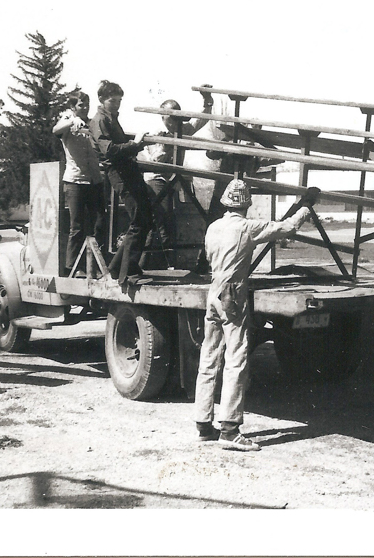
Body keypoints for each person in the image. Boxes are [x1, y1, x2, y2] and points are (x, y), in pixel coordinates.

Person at [193, 179, 318, 451]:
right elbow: (287, 228)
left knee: (209, 355)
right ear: (247, 205)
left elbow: (210, 258)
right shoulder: (247, 227)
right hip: (232, 293)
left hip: (214, 291)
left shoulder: (214, 227)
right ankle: (229, 430)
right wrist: (306, 206)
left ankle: (203, 423)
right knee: (236, 358)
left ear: (225, 203)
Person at [89, 80, 153, 286]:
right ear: (101, 99)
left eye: (119, 101)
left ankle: (117, 268)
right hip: (119, 173)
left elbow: (120, 144)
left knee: (144, 218)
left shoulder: (111, 118)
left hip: (128, 171)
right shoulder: (100, 120)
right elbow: (109, 150)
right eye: (112, 100)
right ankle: (129, 274)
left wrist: (139, 143)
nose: (116, 104)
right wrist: (135, 144)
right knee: (139, 219)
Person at [139, 94, 213, 265]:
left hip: (171, 180)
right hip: (156, 180)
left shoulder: (181, 129)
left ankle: (159, 264)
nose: (174, 122)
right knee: (161, 220)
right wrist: (164, 147)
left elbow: (200, 120)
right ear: (163, 117)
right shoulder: (156, 132)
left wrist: (207, 102)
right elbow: (155, 161)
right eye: (170, 118)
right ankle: (162, 264)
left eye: (176, 118)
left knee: (165, 221)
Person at [52, 90, 106, 277]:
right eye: (81, 105)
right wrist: (72, 121)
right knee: (77, 227)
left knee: (99, 224)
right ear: (73, 107)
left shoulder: (92, 123)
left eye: (87, 104)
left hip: (95, 181)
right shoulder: (69, 120)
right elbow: (56, 130)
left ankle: (97, 266)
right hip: (75, 181)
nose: (85, 108)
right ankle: (73, 268)